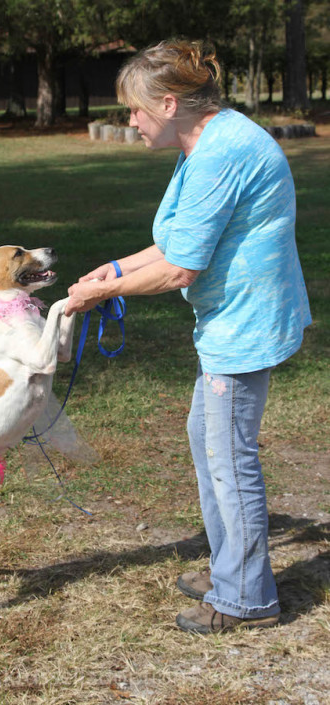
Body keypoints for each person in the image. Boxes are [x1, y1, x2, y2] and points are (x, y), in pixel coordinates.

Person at [65, 39, 312, 634]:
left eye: (134, 110)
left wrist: (103, 294)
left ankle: (245, 598)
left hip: (244, 324)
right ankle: (232, 568)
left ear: (169, 103)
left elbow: (181, 269)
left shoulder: (220, 153)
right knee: (208, 441)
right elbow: (178, 243)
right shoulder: (209, 140)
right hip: (235, 319)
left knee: (228, 459)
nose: (130, 121)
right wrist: (117, 270)